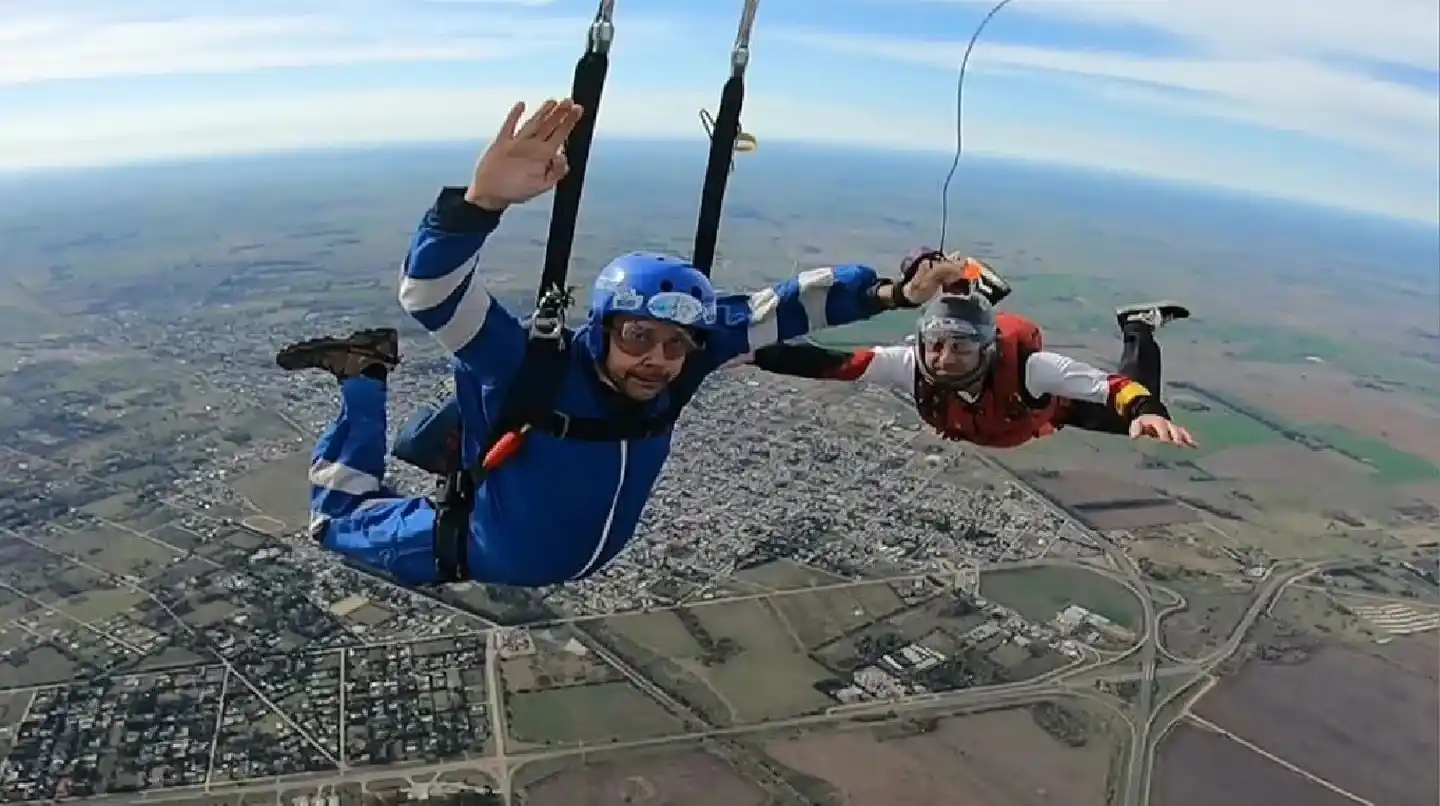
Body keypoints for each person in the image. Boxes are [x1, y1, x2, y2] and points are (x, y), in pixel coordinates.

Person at [277, 98, 978, 589]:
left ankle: (370, 377)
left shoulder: (681, 368)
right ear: (603, 327)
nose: (658, 360)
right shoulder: (534, 363)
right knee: (335, 520)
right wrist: (479, 204)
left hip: (544, 553)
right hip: (477, 548)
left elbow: (785, 308)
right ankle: (363, 374)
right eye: (639, 336)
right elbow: (431, 294)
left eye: (676, 344)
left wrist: (895, 295)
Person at [746, 250, 1198, 450]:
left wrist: (1145, 408)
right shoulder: (912, 365)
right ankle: (970, 283)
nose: (942, 359)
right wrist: (749, 351)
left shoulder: (1032, 369)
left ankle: (1138, 327)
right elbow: (834, 363)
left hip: (1050, 409)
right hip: (1015, 418)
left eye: (959, 349)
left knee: (1130, 423)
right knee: (953, 314)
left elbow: (1109, 386)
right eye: (935, 346)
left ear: (986, 351)